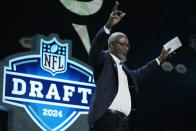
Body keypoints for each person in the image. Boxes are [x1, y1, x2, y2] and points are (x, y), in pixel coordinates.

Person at [88, 1, 171, 131]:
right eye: (122, 44)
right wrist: (109, 24)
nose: (125, 48)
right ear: (111, 45)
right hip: (105, 120)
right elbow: (95, 48)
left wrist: (160, 58)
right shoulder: (103, 61)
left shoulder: (126, 72)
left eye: (127, 45)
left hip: (124, 124)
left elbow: (142, 72)